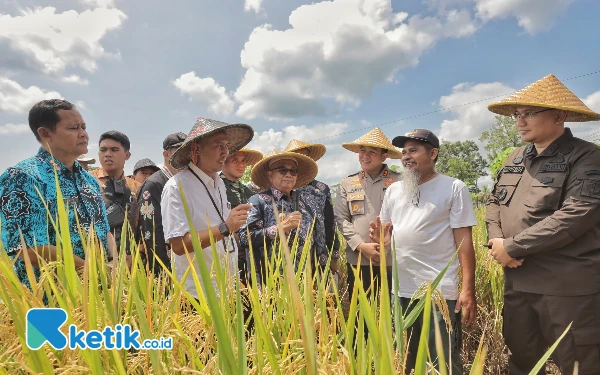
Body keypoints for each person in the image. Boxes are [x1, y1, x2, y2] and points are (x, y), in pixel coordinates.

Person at [485, 74, 600, 375]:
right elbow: (493, 202)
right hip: (518, 282)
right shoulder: (514, 158)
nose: (520, 122)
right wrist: (498, 242)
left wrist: (514, 246)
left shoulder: (587, 157)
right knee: (522, 362)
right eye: (517, 115)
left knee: (577, 365)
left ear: (560, 115)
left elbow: (579, 212)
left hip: (566, 288)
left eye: (529, 114)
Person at [371, 128, 477, 375]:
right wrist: (383, 241)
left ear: (433, 153)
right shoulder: (394, 190)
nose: (406, 156)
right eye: (404, 152)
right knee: (407, 359)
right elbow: (386, 233)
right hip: (402, 290)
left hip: (438, 292)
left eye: (414, 150)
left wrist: (467, 289)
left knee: (443, 361)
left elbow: (464, 242)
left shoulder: (453, 187)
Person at [0, 99, 115, 291]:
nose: (83, 134)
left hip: (99, 297)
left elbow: (104, 229)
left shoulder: (91, 182)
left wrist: (115, 263)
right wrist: (93, 271)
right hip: (49, 300)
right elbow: (28, 248)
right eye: (73, 128)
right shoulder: (22, 178)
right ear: (45, 133)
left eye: (83, 127)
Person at [161, 118, 254, 299]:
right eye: (218, 146)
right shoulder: (176, 187)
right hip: (197, 293)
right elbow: (178, 245)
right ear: (196, 149)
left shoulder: (218, 183)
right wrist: (225, 227)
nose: (225, 152)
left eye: (226, 146)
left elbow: (222, 229)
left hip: (228, 285)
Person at [334, 127, 401, 300]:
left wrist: (388, 243)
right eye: (362, 151)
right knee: (360, 315)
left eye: (372, 152)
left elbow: (408, 218)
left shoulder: (400, 181)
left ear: (384, 156)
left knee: (394, 314)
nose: (365, 155)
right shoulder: (347, 183)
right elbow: (341, 219)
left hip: (392, 259)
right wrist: (361, 246)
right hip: (358, 258)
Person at [239, 150, 323, 281]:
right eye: (283, 170)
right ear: (270, 174)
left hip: (303, 280)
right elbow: (245, 237)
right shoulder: (258, 201)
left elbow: (316, 239)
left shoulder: (305, 205)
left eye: (293, 171)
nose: (289, 174)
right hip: (269, 280)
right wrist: (280, 228)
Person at [284, 139, 341, 273]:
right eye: (297, 157)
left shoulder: (321, 189)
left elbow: (329, 224)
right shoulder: (281, 187)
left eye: (305, 157)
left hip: (318, 256)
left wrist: (334, 256)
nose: (302, 161)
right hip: (287, 260)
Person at [136, 132, 186, 276]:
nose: (185, 157)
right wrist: (163, 269)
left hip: (184, 261)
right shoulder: (154, 184)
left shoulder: (183, 182)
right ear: (166, 154)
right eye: (179, 152)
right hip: (166, 264)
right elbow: (151, 231)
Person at [90, 131, 141, 256]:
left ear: (127, 155)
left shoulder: (137, 187)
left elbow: (146, 226)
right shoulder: (86, 182)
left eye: (114, 150)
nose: (108, 154)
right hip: (94, 259)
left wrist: (139, 253)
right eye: (103, 150)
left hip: (131, 260)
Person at [220, 148, 263, 280]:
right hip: (226, 252)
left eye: (243, 161)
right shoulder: (216, 188)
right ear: (223, 162)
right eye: (235, 160)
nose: (241, 165)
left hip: (251, 253)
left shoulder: (248, 191)